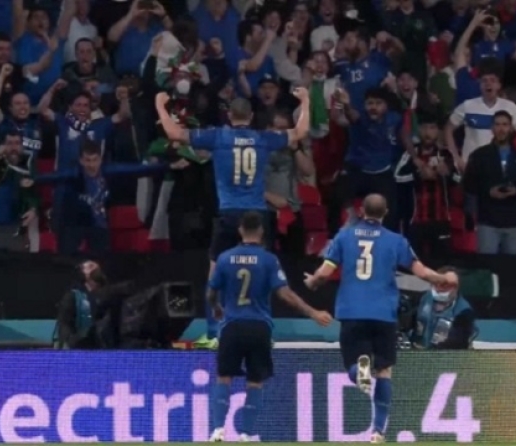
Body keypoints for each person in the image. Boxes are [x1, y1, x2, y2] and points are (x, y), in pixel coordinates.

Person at [155, 87, 310, 348]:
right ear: (251, 117)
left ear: (229, 115)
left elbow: (174, 134)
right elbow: (300, 132)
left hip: (229, 214)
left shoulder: (218, 136)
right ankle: (264, 330)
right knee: (261, 271)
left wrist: (160, 105)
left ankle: (214, 333)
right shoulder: (263, 138)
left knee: (216, 272)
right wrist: (304, 101)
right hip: (257, 216)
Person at [303, 193, 455, 444]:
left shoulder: (344, 236)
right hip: (384, 313)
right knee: (384, 370)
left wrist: (312, 282)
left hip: (351, 311)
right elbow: (421, 272)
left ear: (362, 211)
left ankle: (358, 370)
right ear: (386, 213)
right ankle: (378, 431)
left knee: (353, 365)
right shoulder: (396, 241)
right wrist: (442, 279)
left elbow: (324, 273)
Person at [207, 211, 332, 442]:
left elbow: (211, 291)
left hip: (232, 325)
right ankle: (246, 434)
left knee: (224, 376)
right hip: (259, 327)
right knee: (255, 381)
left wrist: (216, 307)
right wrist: (313, 312)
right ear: (262, 232)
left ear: (240, 230)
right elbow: (285, 294)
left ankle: (217, 430)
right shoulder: (268, 260)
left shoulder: (224, 258)